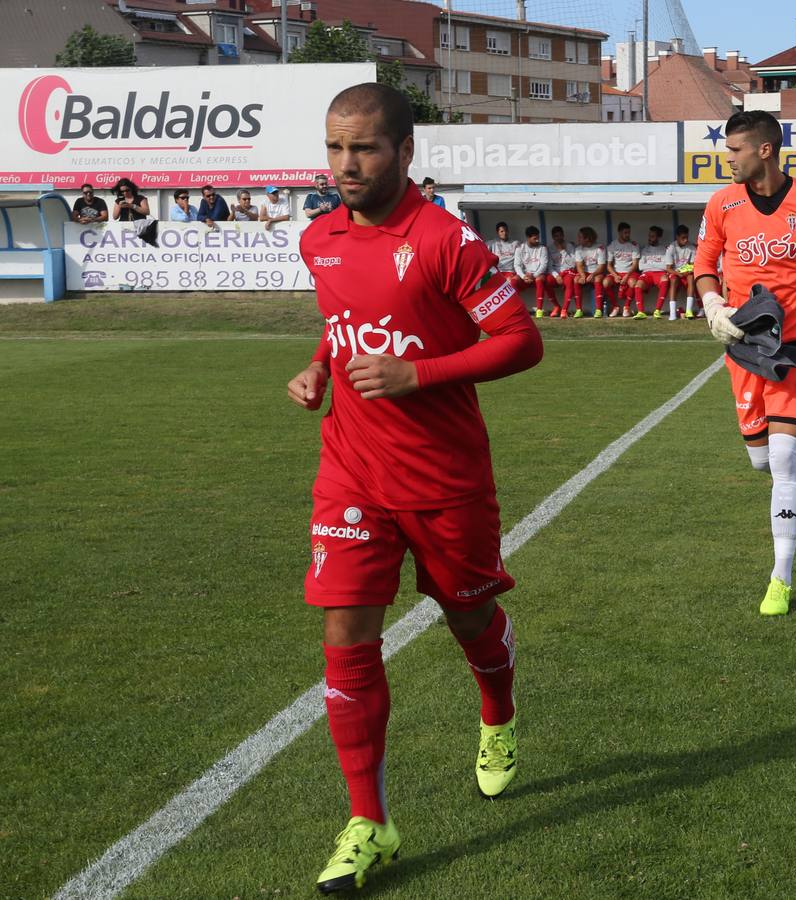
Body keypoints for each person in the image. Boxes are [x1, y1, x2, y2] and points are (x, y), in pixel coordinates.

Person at [286, 82, 542, 894]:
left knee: (468, 614)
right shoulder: (318, 238)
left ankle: (497, 714)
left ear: (404, 151)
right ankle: (371, 821)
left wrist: (417, 373)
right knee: (345, 635)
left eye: (362, 147)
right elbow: (340, 319)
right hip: (352, 471)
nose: (345, 164)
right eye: (334, 147)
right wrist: (321, 367)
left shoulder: (444, 241)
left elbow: (522, 341)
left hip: (443, 479)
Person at [693, 109, 796, 616]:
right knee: (761, 461)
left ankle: (780, 577)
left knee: (782, 460)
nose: (727, 159)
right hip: (744, 345)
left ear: (764, 149)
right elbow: (704, 264)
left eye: (733, 150)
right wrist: (713, 304)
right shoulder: (721, 204)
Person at [633, 225, 672, 319]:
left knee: (665, 280)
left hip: (660, 273)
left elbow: (666, 266)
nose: (650, 238)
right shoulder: (644, 249)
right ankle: (641, 312)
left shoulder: (664, 249)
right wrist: (656, 265)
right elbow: (640, 266)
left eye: (652, 236)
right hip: (647, 274)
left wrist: (651, 265)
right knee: (638, 285)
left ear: (658, 237)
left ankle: (657, 310)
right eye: (649, 236)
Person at [514, 225, 552, 318]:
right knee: (513, 280)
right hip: (525, 276)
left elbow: (544, 265)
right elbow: (517, 265)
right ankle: (516, 309)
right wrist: (523, 276)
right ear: (528, 237)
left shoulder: (542, 248)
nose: (537, 240)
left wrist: (534, 275)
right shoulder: (520, 248)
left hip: (537, 274)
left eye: (538, 237)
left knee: (540, 279)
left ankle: (539, 310)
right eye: (535, 238)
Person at [604, 222, 640, 317]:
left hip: (630, 272)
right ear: (619, 232)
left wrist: (627, 276)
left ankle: (626, 307)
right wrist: (615, 276)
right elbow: (608, 265)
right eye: (625, 232)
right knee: (605, 283)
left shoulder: (634, 245)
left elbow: (635, 264)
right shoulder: (612, 245)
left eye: (629, 232)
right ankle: (615, 307)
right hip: (616, 273)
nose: (628, 235)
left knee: (633, 283)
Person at [545, 225, 580, 318]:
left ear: (563, 235)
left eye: (560, 235)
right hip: (556, 273)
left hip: (568, 272)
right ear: (553, 237)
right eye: (556, 236)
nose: (558, 238)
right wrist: (557, 276)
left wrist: (563, 251)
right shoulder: (550, 248)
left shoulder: (569, 246)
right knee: (546, 281)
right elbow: (549, 266)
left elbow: (573, 263)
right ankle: (556, 306)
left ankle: (564, 310)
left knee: (569, 281)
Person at [664, 224, 697, 319]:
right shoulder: (671, 248)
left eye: (686, 237)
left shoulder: (691, 247)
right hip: (675, 273)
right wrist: (678, 273)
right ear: (677, 237)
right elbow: (668, 268)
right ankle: (673, 313)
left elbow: (692, 264)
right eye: (683, 238)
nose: (685, 240)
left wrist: (687, 271)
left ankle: (689, 311)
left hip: (686, 273)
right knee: (673, 281)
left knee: (691, 278)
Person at [574, 226, 608, 317]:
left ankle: (598, 310)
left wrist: (593, 274)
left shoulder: (600, 248)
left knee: (597, 279)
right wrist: (582, 275)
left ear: (587, 238)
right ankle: (578, 310)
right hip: (585, 273)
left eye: (580, 237)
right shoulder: (578, 249)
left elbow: (602, 266)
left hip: (597, 272)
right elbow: (579, 265)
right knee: (576, 280)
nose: (578, 239)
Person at [487, 223, 522, 289]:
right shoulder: (492, 243)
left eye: (506, 230)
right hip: (497, 272)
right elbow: (482, 249)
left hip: (510, 271)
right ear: (498, 232)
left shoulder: (515, 243)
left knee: (510, 283)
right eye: (502, 231)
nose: (504, 233)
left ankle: (513, 299)